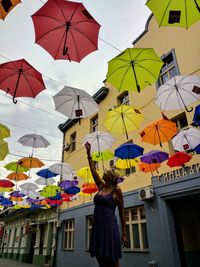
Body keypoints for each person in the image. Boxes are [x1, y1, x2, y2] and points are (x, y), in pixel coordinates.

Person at [85, 142, 128, 267]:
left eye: (107, 172)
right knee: (100, 258)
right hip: (98, 227)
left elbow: (122, 213)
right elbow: (93, 170)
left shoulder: (117, 191)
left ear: (111, 177)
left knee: (112, 260)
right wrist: (89, 153)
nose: (104, 172)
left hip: (110, 228)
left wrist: (124, 234)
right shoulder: (100, 186)